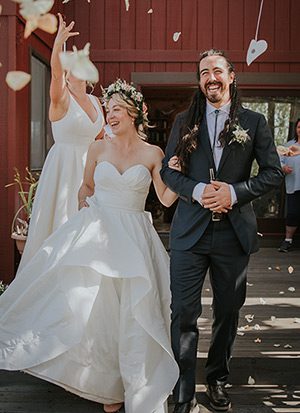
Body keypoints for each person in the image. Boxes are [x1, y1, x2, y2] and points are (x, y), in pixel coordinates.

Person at [0, 79, 179, 413]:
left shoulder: (154, 153)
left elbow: (166, 198)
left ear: (135, 113)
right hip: (98, 231)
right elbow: (85, 186)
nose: (110, 116)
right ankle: (104, 385)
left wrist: (180, 176)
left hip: (136, 238)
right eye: (108, 110)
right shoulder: (97, 149)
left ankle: (133, 382)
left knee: (133, 312)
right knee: (95, 309)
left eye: (117, 110)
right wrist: (86, 208)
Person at [160, 49, 283, 413]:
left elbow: (273, 173)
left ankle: (216, 380)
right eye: (203, 73)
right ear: (199, 82)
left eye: (216, 71)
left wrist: (234, 192)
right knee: (183, 313)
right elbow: (169, 172)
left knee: (228, 313)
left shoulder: (255, 122)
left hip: (234, 234)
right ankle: (183, 391)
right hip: (190, 234)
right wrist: (197, 191)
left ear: (231, 76)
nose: (210, 77)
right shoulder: (185, 121)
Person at [18, 14, 104, 270]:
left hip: (91, 170)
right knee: (63, 222)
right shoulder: (61, 97)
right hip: (64, 169)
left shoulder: (97, 102)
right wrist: (58, 44)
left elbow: (100, 139)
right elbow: (55, 74)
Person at [278, 118, 300, 252]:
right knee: (292, 214)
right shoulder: (289, 145)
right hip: (293, 185)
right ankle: (288, 241)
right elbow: (278, 161)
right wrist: (283, 167)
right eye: (298, 127)